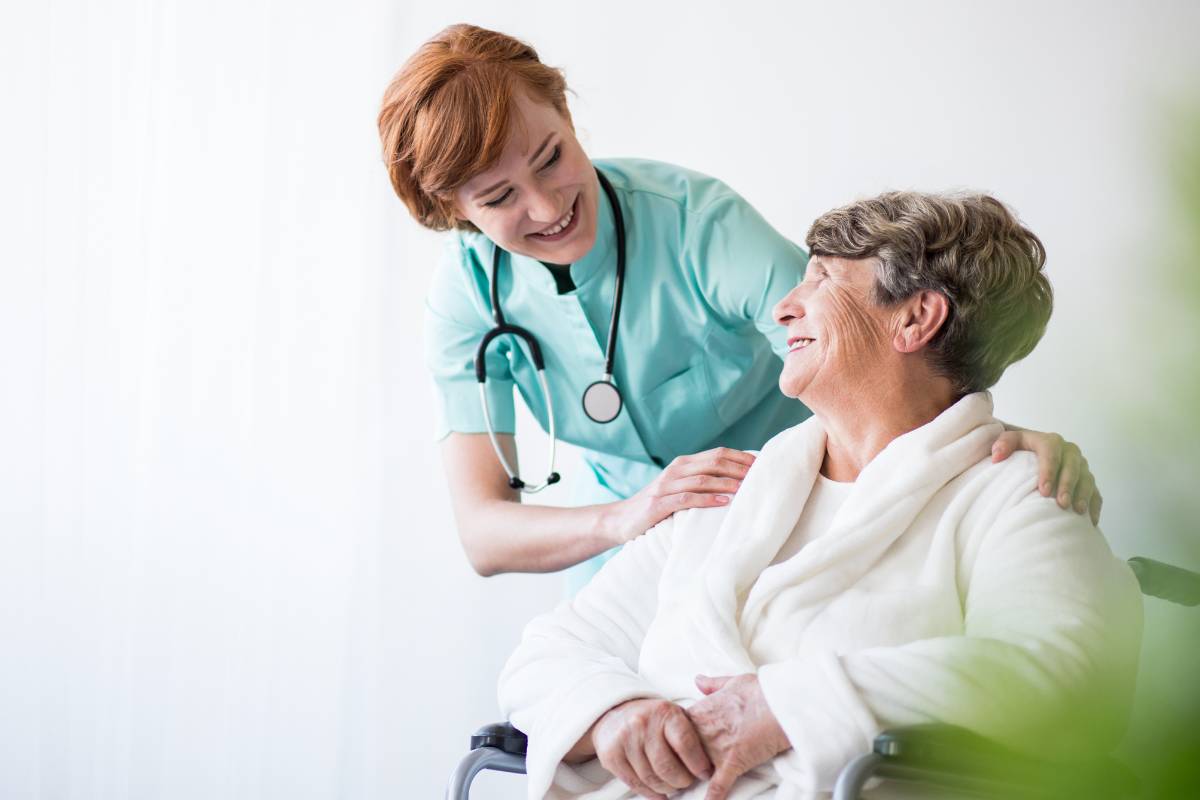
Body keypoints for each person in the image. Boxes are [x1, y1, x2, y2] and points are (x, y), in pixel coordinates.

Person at [377, 24, 1101, 592]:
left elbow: (871, 345)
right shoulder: (467, 297)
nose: (546, 207)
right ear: (453, 210)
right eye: (499, 198)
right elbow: (483, 535)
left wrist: (993, 438)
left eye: (551, 158)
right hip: (628, 556)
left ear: (566, 112)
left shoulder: (699, 224)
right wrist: (629, 518)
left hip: (803, 516)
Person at [497, 191, 1143, 800]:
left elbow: (1062, 679)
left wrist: (788, 705)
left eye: (822, 280)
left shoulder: (1015, 496)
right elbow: (547, 653)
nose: (783, 308)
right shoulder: (729, 497)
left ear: (916, 317)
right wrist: (615, 714)